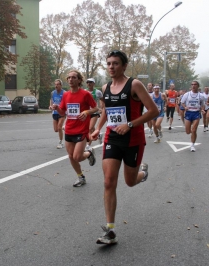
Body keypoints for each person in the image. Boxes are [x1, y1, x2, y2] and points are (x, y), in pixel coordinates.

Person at [90, 50, 158, 245]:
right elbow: (106, 111)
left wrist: (129, 124)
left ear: (124, 65)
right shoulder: (105, 87)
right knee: (109, 181)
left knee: (129, 181)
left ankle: (142, 174)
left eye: (116, 63)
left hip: (133, 140)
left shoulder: (134, 85)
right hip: (112, 138)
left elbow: (154, 111)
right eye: (109, 63)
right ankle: (110, 231)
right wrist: (97, 128)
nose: (111, 67)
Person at [50, 70, 98, 187]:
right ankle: (80, 177)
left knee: (77, 156)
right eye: (69, 78)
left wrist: (86, 112)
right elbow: (63, 112)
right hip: (69, 130)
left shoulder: (85, 94)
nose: (70, 79)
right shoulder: (66, 95)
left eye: (73, 77)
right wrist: (56, 108)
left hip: (81, 130)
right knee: (71, 156)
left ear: (79, 80)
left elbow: (96, 108)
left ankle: (89, 152)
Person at [180, 81, 205, 152]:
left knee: (194, 130)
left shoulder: (201, 96)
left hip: (196, 113)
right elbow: (182, 102)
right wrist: (185, 107)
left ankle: (192, 145)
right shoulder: (187, 94)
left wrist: (202, 110)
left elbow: (203, 104)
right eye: (192, 84)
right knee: (188, 131)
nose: (193, 86)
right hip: (188, 113)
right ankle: (192, 135)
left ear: (198, 86)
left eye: (195, 84)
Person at [85, 78, 103, 150]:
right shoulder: (84, 91)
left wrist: (102, 108)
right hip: (87, 112)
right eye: (88, 82)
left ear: (94, 84)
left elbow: (102, 100)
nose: (89, 84)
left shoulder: (97, 92)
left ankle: (88, 145)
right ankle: (98, 135)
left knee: (90, 128)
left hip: (95, 112)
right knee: (91, 129)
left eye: (91, 82)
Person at [49, 79, 66, 149]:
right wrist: (50, 105)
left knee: (59, 127)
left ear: (61, 85)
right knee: (56, 129)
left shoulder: (65, 93)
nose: (56, 86)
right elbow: (51, 100)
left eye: (57, 84)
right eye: (55, 84)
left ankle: (60, 142)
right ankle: (63, 127)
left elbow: (67, 102)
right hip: (55, 112)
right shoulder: (53, 93)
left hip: (62, 112)